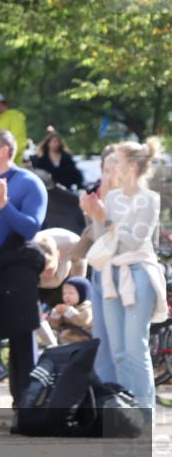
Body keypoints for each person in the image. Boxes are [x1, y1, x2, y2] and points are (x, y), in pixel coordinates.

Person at [81, 138, 167, 420]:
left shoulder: (148, 200)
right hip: (111, 274)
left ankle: (144, 414)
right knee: (117, 351)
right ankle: (125, 411)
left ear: (131, 165)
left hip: (138, 274)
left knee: (135, 347)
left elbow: (132, 242)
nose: (111, 167)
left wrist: (104, 218)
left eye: (116, 161)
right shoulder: (113, 198)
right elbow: (101, 237)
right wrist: (93, 214)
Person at [0, 129, 47, 430]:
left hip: (16, 274)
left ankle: (26, 411)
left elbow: (30, 228)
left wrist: (4, 204)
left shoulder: (30, 183)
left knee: (21, 347)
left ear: (5, 151)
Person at [79, 145, 117, 383]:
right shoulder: (96, 192)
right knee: (102, 345)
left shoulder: (135, 199)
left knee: (124, 351)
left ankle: (131, 409)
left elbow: (125, 240)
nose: (108, 175)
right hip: (100, 272)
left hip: (124, 274)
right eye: (106, 168)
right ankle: (108, 404)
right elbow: (96, 236)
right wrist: (92, 214)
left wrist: (102, 215)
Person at [34, 227, 87, 308]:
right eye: (44, 269)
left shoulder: (73, 244)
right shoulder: (27, 252)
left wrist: (75, 292)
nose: (47, 275)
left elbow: (80, 265)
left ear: (58, 255)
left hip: (65, 259)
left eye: (49, 269)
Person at [48, 277, 93, 345]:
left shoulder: (87, 307)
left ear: (82, 294)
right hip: (65, 342)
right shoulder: (66, 308)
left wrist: (68, 311)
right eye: (64, 293)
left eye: (71, 293)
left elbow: (83, 321)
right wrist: (56, 314)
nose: (67, 296)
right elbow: (55, 325)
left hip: (82, 342)